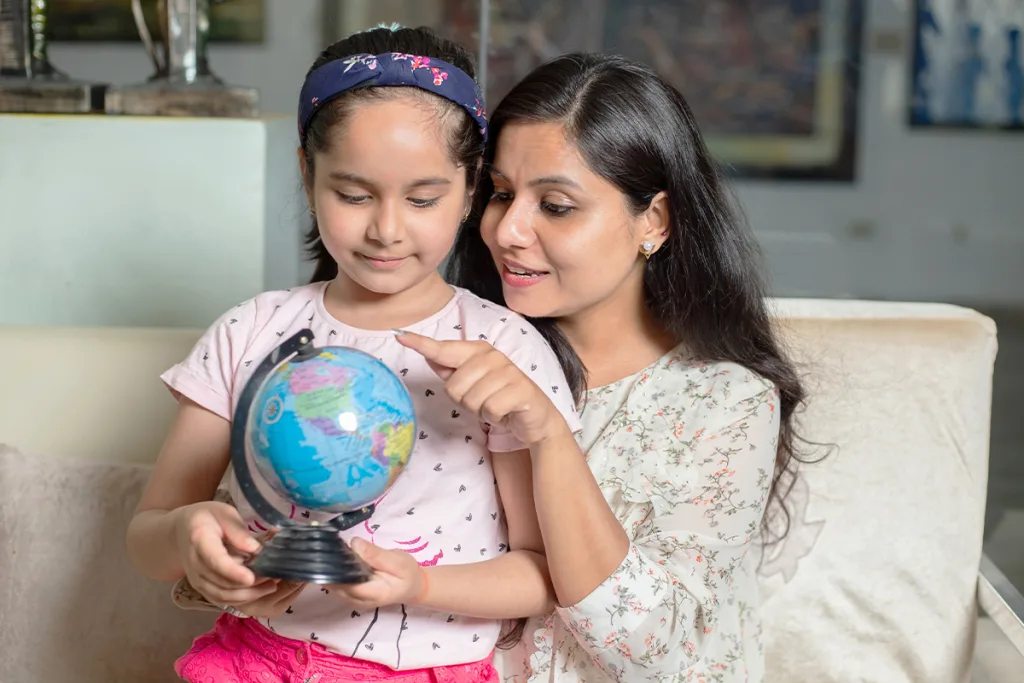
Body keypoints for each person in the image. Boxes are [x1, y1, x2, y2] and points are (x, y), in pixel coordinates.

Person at [125, 26, 580, 683]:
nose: (387, 228)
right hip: (256, 660)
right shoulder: (249, 333)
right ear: (308, 175)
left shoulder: (502, 353)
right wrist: (187, 535)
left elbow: (542, 573)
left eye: (423, 198)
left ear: (471, 186)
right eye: (354, 194)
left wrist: (418, 586)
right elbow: (148, 537)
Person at [397, 53, 809, 682]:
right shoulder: (442, 356)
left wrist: (549, 435)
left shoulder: (728, 404)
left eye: (556, 206)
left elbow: (650, 651)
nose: (507, 230)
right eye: (501, 194)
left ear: (654, 221)